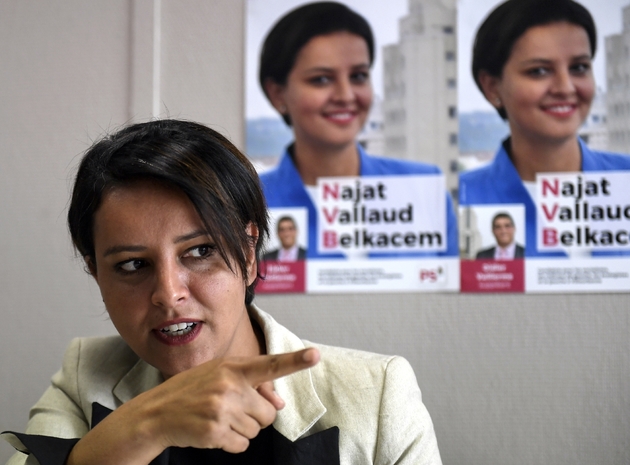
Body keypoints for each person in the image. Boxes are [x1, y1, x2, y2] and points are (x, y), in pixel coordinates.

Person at [1, 120, 442, 465]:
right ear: (95, 272)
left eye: (200, 251)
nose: (169, 294)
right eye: (133, 265)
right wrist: (148, 423)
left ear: (250, 254)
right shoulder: (85, 376)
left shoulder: (377, 393)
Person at [258, 1, 458, 259]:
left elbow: (447, 299)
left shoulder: (423, 188)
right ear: (277, 93)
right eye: (321, 79)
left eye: (358, 76)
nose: (345, 95)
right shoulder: (245, 203)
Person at [459, 0, 630, 257]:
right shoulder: (457, 199)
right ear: (492, 87)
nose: (565, 87)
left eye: (579, 68)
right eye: (539, 71)